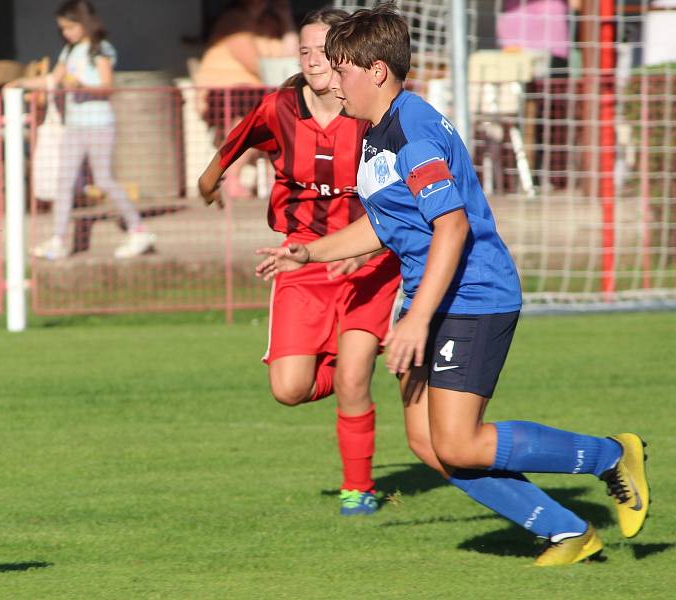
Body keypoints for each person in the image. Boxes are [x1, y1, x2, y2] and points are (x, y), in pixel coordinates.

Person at [255, 4, 649, 564]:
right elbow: (386, 221)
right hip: (430, 296)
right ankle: (569, 531)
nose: (333, 84)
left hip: (471, 297)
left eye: (340, 71)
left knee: (460, 441)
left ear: (376, 72)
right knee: (429, 445)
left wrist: (415, 318)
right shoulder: (379, 132)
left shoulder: (411, 133)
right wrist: (309, 252)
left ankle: (610, 455)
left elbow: (452, 225)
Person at [198, 8, 402, 516]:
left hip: (370, 264)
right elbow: (237, 140)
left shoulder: (375, 112)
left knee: (355, 379)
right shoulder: (280, 107)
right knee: (289, 389)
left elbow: (404, 197)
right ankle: (347, 362)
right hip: (301, 261)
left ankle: (359, 489)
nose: (314, 60)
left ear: (344, 55)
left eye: (323, 51)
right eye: (305, 51)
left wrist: (370, 249)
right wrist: (209, 179)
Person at [6, 0, 156, 260]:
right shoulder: (68, 51)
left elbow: (107, 86)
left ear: (85, 23)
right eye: (63, 29)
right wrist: (22, 82)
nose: (67, 33)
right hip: (74, 126)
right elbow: (53, 79)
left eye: (71, 27)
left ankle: (138, 229)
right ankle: (58, 239)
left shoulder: (100, 50)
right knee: (63, 183)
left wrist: (81, 85)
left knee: (103, 179)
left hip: (99, 125)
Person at [194, 0, 297, 199]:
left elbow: (292, 62)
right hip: (227, 96)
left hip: (255, 95)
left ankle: (271, 179)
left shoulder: (266, 25)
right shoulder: (235, 21)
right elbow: (259, 65)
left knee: (278, 122)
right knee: (254, 126)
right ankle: (231, 178)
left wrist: (286, 19)